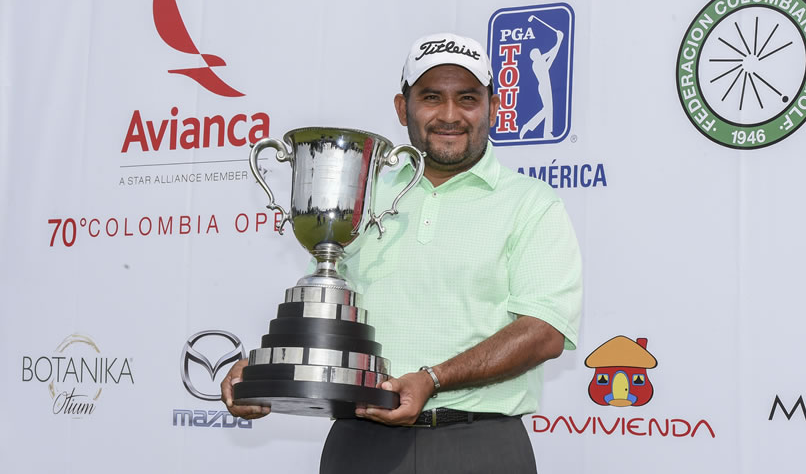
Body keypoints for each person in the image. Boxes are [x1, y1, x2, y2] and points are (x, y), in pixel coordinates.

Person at [221, 32, 582, 473]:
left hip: (481, 446)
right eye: (432, 97)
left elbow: (543, 331)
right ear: (402, 107)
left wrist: (431, 380)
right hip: (361, 444)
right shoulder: (361, 194)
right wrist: (266, 372)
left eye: (467, 98)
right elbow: (330, 315)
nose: (450, 115)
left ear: (493, 105)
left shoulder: (532, 203)